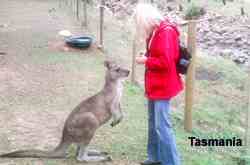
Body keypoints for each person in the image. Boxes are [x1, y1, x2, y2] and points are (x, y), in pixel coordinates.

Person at [134, 3, 183, 165]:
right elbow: (158, 54)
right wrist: (147, 55)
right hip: (154, 85)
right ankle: (154, 158)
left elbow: (166, 62)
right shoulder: (155, 31)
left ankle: (171, 162)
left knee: (162, 127)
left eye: (141, 24)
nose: (141, 28)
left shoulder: (165, 32)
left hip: (163, 86)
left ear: (147, 19)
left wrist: (146, 60)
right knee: (153, 123)